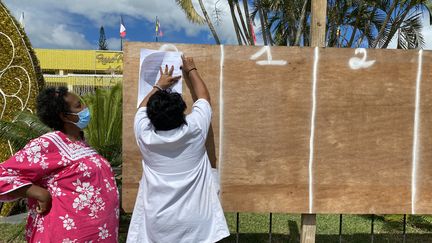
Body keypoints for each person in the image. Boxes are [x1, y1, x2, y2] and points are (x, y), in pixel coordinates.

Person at [127, 55, 229, 242]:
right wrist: (191, 69)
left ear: (151, 118)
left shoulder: (145, 136)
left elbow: (141, 110)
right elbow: (204, 98)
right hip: (197, 223)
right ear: (183, 112)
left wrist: (159, 85)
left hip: (159, 223)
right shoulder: (195, 129)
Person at [0, 87, 119, 242]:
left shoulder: (82, 143)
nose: (85, 109)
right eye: (78, 106)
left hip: (97, 234)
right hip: (67, 235)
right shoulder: (49, 143)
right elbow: (3, 174)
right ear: (64, 116)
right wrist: (39, 193)